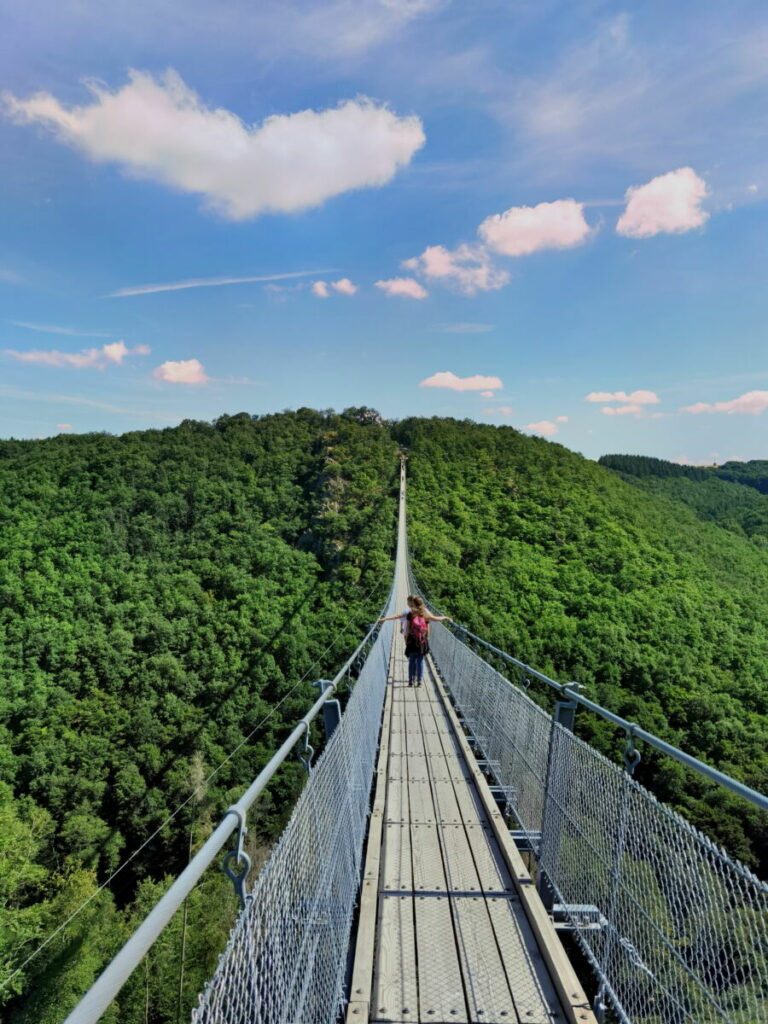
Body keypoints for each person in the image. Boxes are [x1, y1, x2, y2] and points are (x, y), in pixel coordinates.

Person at [379, 595, 451, 686]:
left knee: (412, 661)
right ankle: (419, 681)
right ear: (421, 604)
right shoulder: (425, 614)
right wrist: (445, 617)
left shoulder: (410, 614)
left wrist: (384, 619)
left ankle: (410, 681)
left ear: (413, 604)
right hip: (422, 641)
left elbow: (402, 622)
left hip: (412, 641)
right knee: (420, 661)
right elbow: (436, 619)